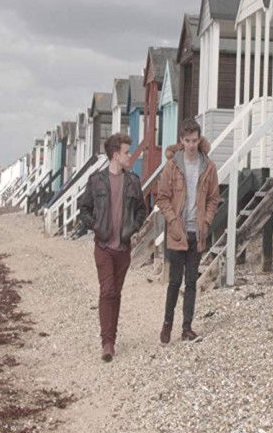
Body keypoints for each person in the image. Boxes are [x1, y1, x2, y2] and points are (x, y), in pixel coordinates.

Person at [77, 132, 147, 362]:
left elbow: (141, 210)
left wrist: (133, 227)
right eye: (127, 152)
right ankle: (106, 343)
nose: (130, 156)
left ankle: (111, 338)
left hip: (123, 247)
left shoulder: (133, 181)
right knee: (107, 291)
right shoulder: (96, 180)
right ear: (116, 155)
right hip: (104, 246)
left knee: (116, 293)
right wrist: (96, 226)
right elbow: (84, 209)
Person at [154, 118, 220, 344]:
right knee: (174, 281)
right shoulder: (172, 166)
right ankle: (167, 324)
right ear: (181, 140)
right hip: (177, 233)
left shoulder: (208, 167)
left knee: (191, 282)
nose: (192, 145)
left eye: (195, 140)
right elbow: (162, 198)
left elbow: (213, 198)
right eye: (188, 140)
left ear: (199, 140)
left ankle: (187, 328)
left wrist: (207, 221)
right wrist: (173, 221)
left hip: (197, 233)